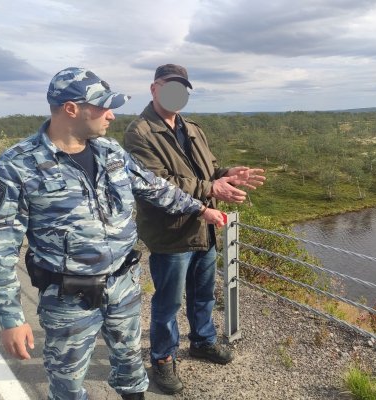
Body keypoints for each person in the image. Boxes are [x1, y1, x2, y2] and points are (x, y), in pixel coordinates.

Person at [0, 67, 226, 400]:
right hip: (68, 298)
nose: (112, 115)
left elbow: (156, 188)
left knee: (131, 369)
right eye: (103, 106)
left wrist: (202, 209)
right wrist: (11, 317)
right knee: (68, 383)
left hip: (124, 288)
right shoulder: (17, 166)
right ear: (72, 109)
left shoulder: (110, 152)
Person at [124, 64, 265, 394]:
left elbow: (210, 169)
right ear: (154, 88)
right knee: (168, 302)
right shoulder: (140, 132)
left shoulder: (193, 129)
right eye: (170, 86)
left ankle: (202, 341)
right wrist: (212, 189)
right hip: (172, 233)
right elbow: (158, 184)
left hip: (205, 228)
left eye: (183, 88)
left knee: (203, 294)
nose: (177, 94)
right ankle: (162, 358)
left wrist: (230, 172)